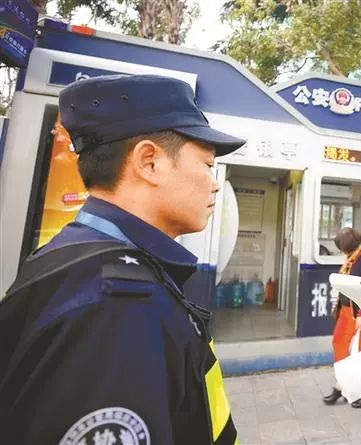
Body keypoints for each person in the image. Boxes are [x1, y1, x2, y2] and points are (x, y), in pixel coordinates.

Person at [0, 75, 246, 445]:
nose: (214, 184)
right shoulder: (119, 307)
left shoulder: (75, 258)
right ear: (149, 162)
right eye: (207, 165)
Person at [323, 227, 361, 408]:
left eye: (341, 247)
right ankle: (343, 383)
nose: (341, 250)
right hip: (346, 311)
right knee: (339, 343)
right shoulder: (351, 257)